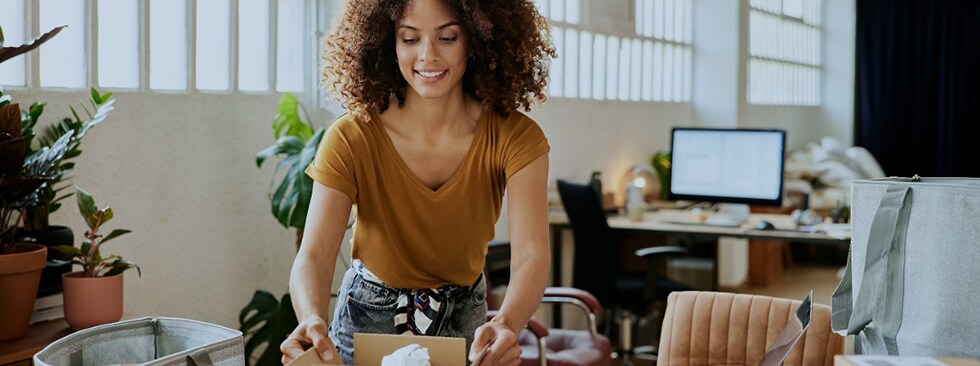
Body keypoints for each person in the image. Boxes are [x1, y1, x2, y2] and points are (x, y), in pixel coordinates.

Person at [280, 0, 556, 365]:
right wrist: (313, 318)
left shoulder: (516, 138)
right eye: (410, 39)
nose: (427, 55)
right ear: (386, 42)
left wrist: (507, 321)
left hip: (465, 321)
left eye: (447, 37)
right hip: (366, 318)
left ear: (476, 38)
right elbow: (314, 257)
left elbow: (531, 255)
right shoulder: (351, 137)